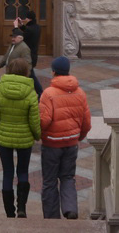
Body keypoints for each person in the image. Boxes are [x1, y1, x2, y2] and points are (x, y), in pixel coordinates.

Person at [39, 56, 91, 220]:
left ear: (53, 72)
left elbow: (44, 121)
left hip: (52, 144)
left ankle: (51, 217)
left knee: (50, 181)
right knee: (68, 177)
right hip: (71, 143)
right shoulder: (80, 93)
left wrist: (40, 134)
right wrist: (78, 137)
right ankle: (70, 209)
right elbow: (86, 122)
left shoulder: (48, 93)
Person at [0, 57, 40, 218]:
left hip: (3, 137)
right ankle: (22, 208)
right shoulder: (30, 92)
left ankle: (9, 212)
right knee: (23, 171)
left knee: (7, 172)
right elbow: (34, 120)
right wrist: (37, 135)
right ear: (26, 71)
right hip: (24, 138)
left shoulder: (0, 90)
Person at [14, 10, 44, 96]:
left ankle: (40, 92)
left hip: (28, 56)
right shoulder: (37, 27)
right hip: (33, 54)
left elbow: (20, 37)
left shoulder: (30, 30)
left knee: (30, 75)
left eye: (26, 18)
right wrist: (22, 25)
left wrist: (16, 27)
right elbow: (28, 31)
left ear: (29, 19)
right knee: (28, 74)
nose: (25, 19)